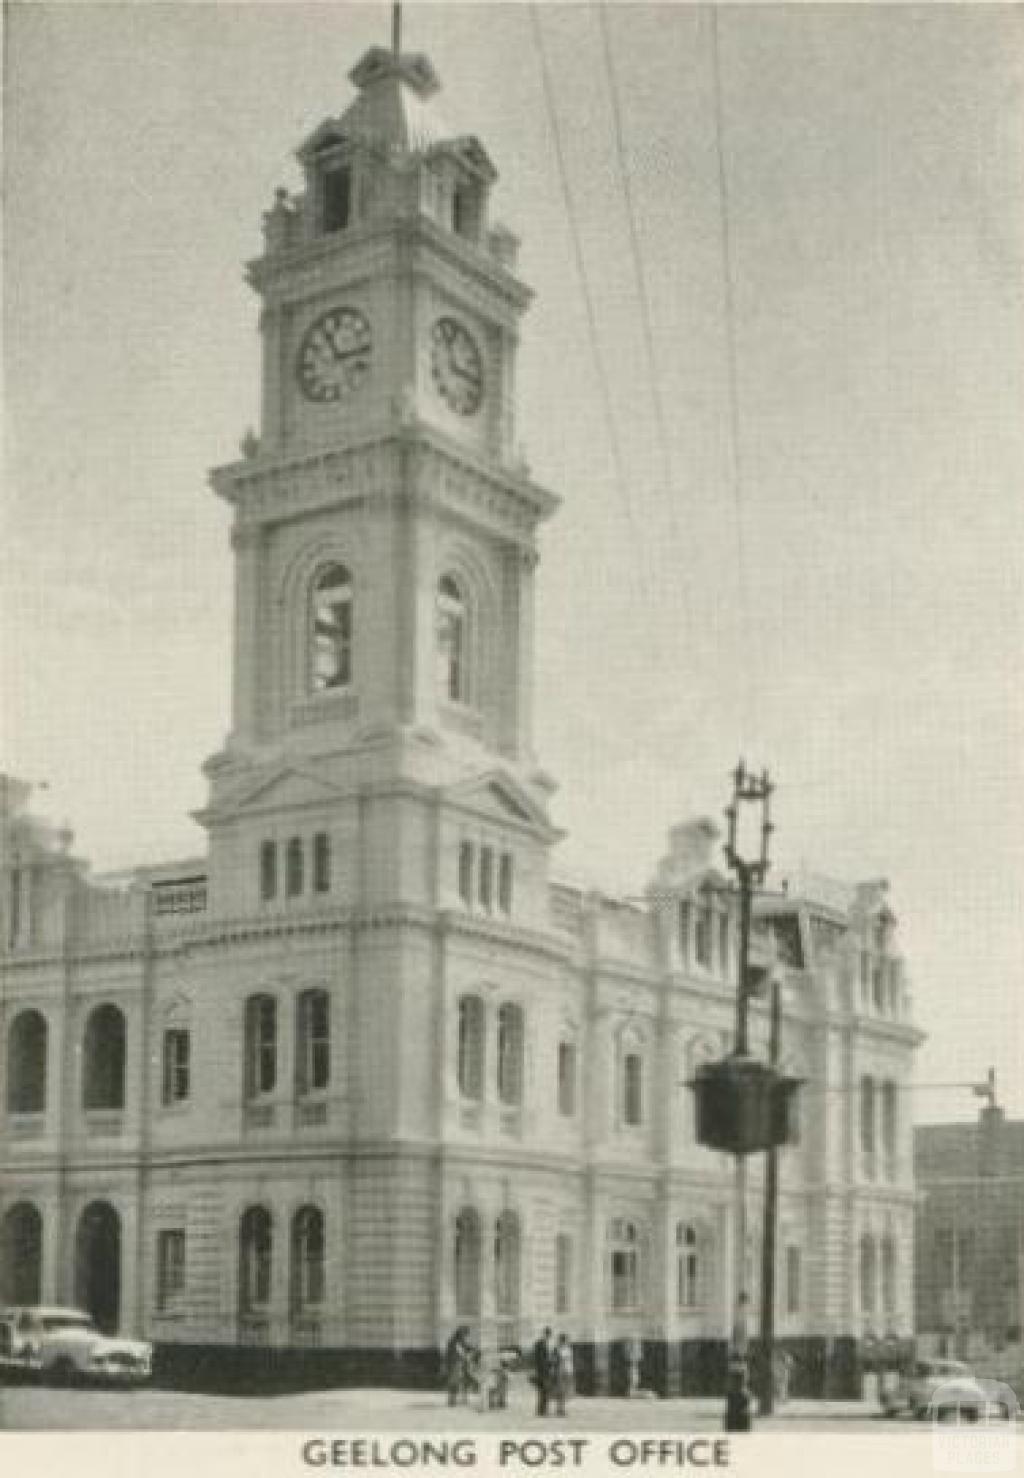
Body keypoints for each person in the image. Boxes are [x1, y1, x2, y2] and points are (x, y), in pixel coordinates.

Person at [444, 1325, 474, 1407]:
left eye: (466, 1334)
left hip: (462, 1364)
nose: (466, 1336)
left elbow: (469, 1349)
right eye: (465, 1334)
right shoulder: (454, 1342)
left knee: (465, 1381)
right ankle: (452, 1400)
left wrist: (472, 1351)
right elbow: (450, 1355)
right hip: (455, 1364)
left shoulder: (461, 1342)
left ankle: (463, 1399)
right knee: (454, 1382)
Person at [532, 1326, 556, 1416]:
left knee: (544, 1391)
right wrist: (550, 1362)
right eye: (548, 1334)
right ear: (546, 1334)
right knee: (544, 1390)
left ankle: (542, 1410)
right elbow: (540, 1359)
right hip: (542, 1371)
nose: (548, 1336)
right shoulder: (540, 1344)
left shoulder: (543, 1344)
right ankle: (542, 1410)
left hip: (544, 1371)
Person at [554, 1332, 574, 1416]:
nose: (565, 1341)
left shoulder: (568, 1349)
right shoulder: (557, 1349)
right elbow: (556, 1361)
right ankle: (559, 1409)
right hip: (561, 1371)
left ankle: (562, 1408)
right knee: (560, 1391)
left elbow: (570, 1360)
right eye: (564, 1340)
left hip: (568, 1371)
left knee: (565, 1391)